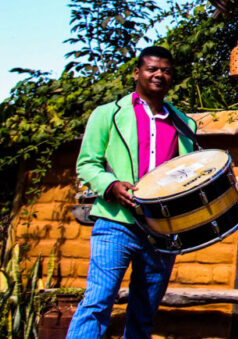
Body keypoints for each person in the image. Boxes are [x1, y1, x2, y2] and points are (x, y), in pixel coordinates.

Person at [68, 46, 198, 339]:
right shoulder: (107, 114)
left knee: (144, 312)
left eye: (165, 70)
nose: (159, 75)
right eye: (152, 69)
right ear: (138, 72)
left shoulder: (184, 124)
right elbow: (87, 165)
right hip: (116, 223)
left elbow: (188, 174)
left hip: (161, 231)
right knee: (97, 303)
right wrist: (111, 186)